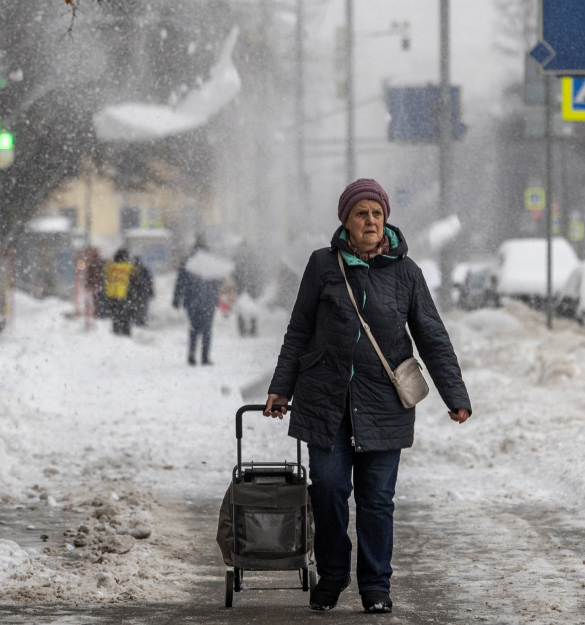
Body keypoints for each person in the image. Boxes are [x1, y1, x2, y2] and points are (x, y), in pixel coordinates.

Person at [264, 178, 472, 615]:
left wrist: (454, 393)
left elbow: (431, 336)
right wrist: (281, 387)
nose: (371, 221)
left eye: (377, 214)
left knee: (377, 500)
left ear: (386, 220)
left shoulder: (406, 273)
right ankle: (334, 574)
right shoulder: (322, 265)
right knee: (328, 490)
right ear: (346, 221)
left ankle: (376, 584)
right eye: (362, 214)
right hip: (327, 403)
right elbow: (299, 331)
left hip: (383, 403)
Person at [173, 237, 221, 365]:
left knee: (193, 328)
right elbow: (218, 282)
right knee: (207, 330)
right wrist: (217, 299)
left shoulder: (187, 261)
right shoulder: (211, 262)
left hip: (191, 301)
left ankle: (192, 355)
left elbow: (180, 282)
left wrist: (176, 299)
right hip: (208, 301)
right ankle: (205, 357)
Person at [102, 248, 135, 336]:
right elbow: (135, 278)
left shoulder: (108, 268)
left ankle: (116, 332)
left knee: (115, 316)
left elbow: (103, 273)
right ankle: (126, 333)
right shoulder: (128, 267)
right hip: (124, 295)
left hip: (111, 295)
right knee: (125, 317)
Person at [128, 256, 155, 327]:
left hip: (134, 293)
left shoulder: (131, 270)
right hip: (143, 292)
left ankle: (136, 321)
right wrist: (151, 292)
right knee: (143, 308)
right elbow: (150, 282)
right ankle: (141, 322)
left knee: (135, 307)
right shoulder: (145, 270)